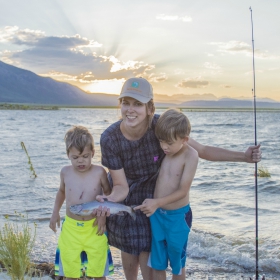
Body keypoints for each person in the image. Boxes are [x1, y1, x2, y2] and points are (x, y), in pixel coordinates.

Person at [98, 77, 261, 280]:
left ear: (150, 108)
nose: (130, 109)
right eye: (126, 103)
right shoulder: (109, 138)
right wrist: (110, 200)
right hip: (127, 193)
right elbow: (120, 185)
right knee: (129, 247)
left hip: (154, 196)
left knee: (149, 255)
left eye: (138, 104)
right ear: (120, 105)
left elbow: (202, 150)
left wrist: (244, 157)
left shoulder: (162, 126)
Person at [134, 109, 198, 280]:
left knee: (178, 264)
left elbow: (183, 190)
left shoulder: (191, 155)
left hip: (178, 217)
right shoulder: (165, 151)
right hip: (157, 216)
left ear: (184, 140)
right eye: (161, 141)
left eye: (169, 143)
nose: (164, 146)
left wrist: (157, 202)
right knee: (157, 262)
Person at [49, 125, 113, 280]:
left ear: (93, 152)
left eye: (85, 156)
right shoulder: (65, 172)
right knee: (70, 270)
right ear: (68, 155)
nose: (81, 161)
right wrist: (55, 213)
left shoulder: (99, 172)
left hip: (94, 226)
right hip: (71, 228)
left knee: (98, 269)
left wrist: (102, 216)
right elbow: (62, 192)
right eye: (75, 158)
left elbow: (108, 194)